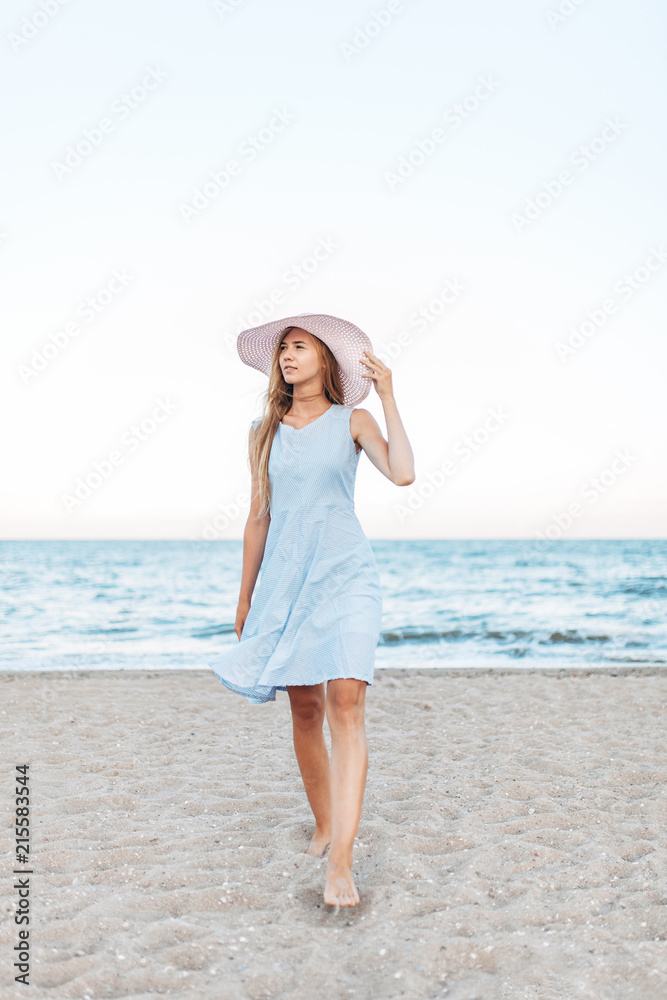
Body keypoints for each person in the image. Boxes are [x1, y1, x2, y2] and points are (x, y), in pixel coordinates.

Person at [207, 312, 415, 909]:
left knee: (345, 702)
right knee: (304, 709)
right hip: (284, 581)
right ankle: (323, 824)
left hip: (347, 574)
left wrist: (391, 397)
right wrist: (246, 595)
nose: (287, 356)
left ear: (326, 359)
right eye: (282, 350)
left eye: (299, 347)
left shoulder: (354, 419)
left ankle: (342, 862)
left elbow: (402, 474)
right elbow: (258, 516)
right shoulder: (264, 428)